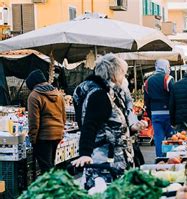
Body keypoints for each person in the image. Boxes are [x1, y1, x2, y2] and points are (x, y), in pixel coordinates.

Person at [72, 54, 147, 189]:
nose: (124, 77)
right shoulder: (99, 95)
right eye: (123, 73)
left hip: (114, 159)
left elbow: (112, 123)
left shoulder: (109, 93)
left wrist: (133, 128)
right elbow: (90, 125)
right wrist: (85, 153)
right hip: (106, 161)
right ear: (114, 74)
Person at [26, 69, 66, 173]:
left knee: (45, 167)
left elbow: (33, 120)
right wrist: (60, 131)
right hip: (57, 134)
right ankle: (53, 185)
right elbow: (63, 116)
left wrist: (32, 139)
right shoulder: (58, 94)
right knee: (50, 164)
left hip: (43, 136)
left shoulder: (34, 95)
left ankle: (51, 187)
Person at [144, 59, 175, 157]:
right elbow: (173, 97)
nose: (169, 69)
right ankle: (170, 158)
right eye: (169, 66)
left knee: (158, 139)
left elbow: (146, 101)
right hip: (168, 113)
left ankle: (160, 159)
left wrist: (150, 114)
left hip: (155, 114)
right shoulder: (168, 79)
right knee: (170, 139)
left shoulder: (148, 81)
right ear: (165, 67)